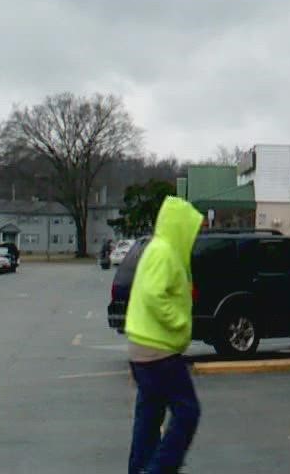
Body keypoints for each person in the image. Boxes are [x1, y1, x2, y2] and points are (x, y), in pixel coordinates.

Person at [124, 196, 202, 474]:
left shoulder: (158, 249)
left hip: (143, 349)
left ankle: (141, 468)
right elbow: (153, 294)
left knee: (149, 415)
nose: (194, 237)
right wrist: (180, 323)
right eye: (192, 230)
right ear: (180, 227)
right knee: (187, 411)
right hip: (159, 350)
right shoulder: (164, 252)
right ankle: (160, 470)